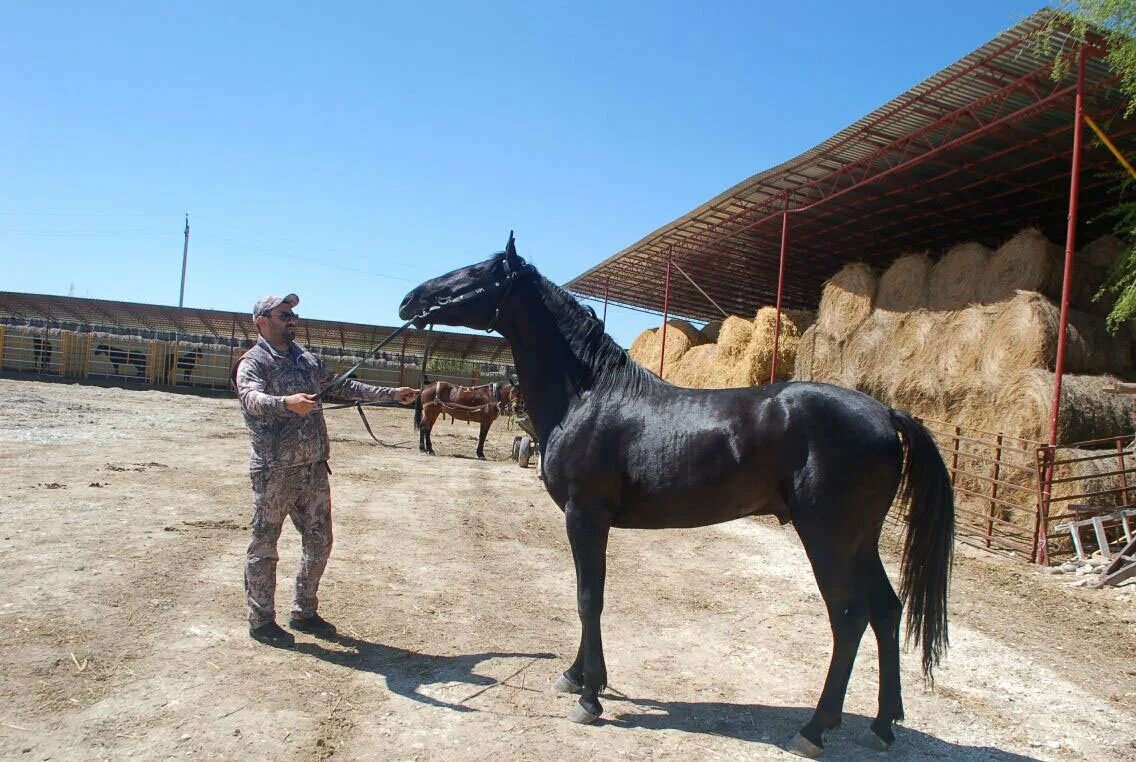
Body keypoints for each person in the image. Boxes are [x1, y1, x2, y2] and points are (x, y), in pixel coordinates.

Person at [235, 293, 419, 647]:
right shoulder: (253, 362)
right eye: (284, 314)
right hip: (275, 472)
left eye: (294, 315)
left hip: (313, 470)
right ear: (262, 320)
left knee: (320, 542)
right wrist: (285, 403)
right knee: (264, 547)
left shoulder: (305, 359)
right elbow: (250, 399)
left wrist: (392, 394)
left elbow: (344, 386)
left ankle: (303, 611)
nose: (292, 319)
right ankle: (260, 620)